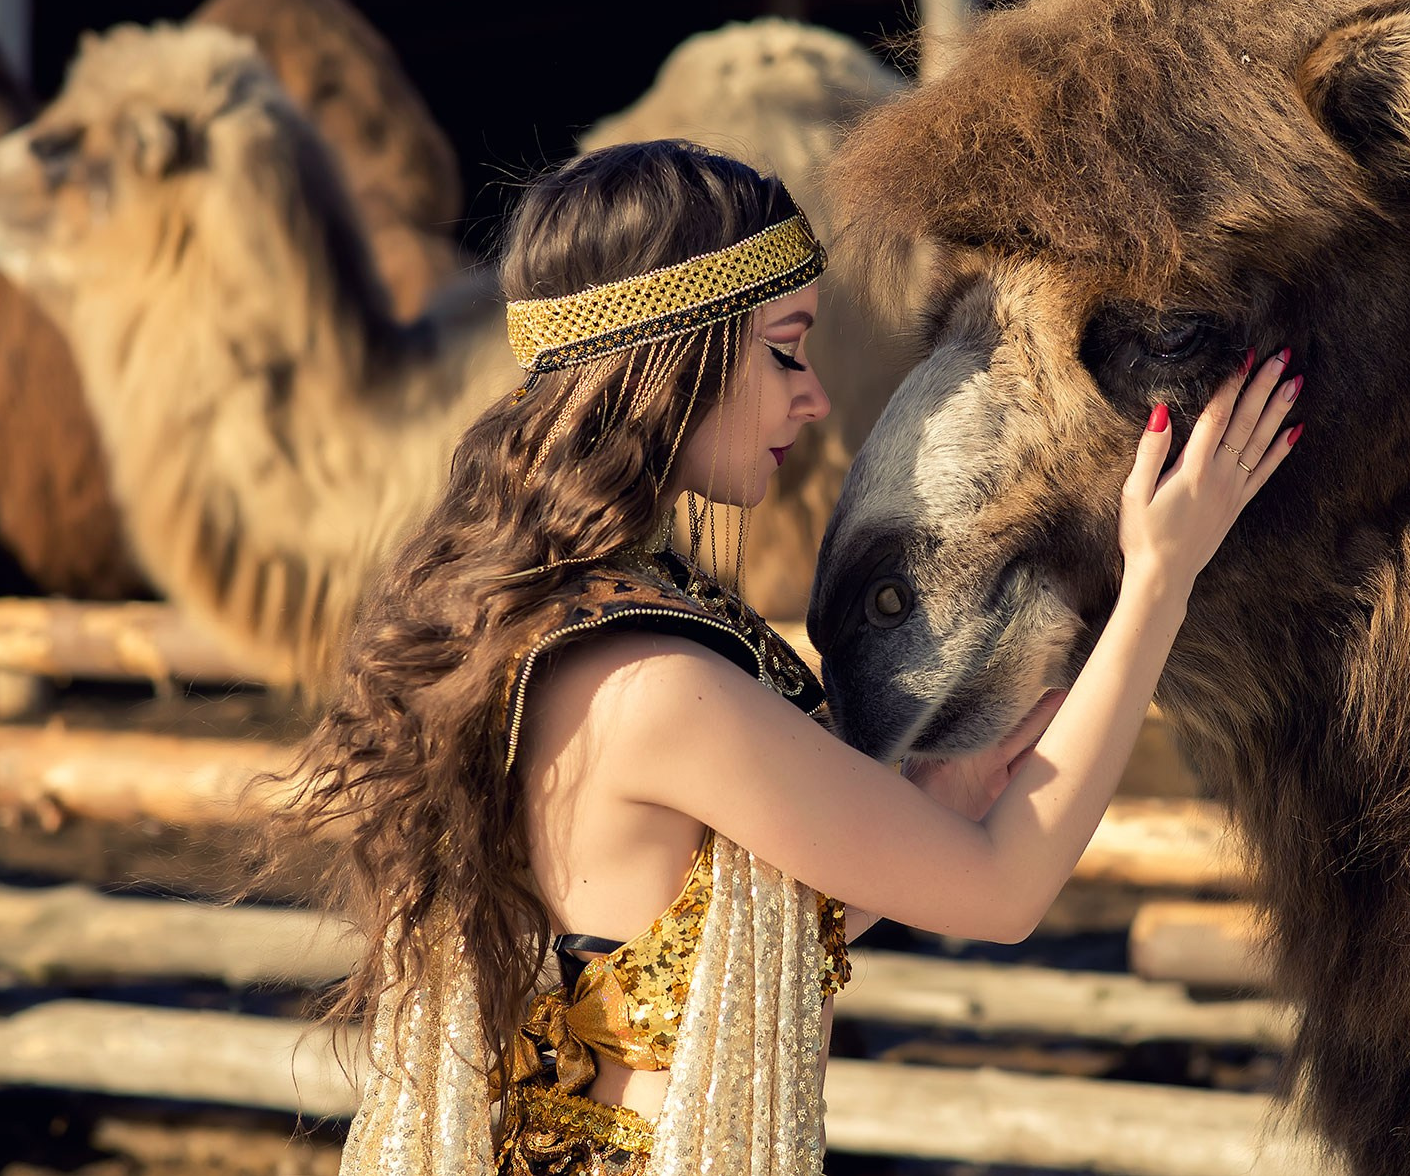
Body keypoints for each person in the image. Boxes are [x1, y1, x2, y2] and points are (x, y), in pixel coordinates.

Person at [284, 140, 1303, 1176]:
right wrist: (1159, 577)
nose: (812, 398)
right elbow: (1001, 892)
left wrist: (944, 792)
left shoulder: (557, 622)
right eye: (783, 351)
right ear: (674, 359)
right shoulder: (658, 688)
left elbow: (760, 915)